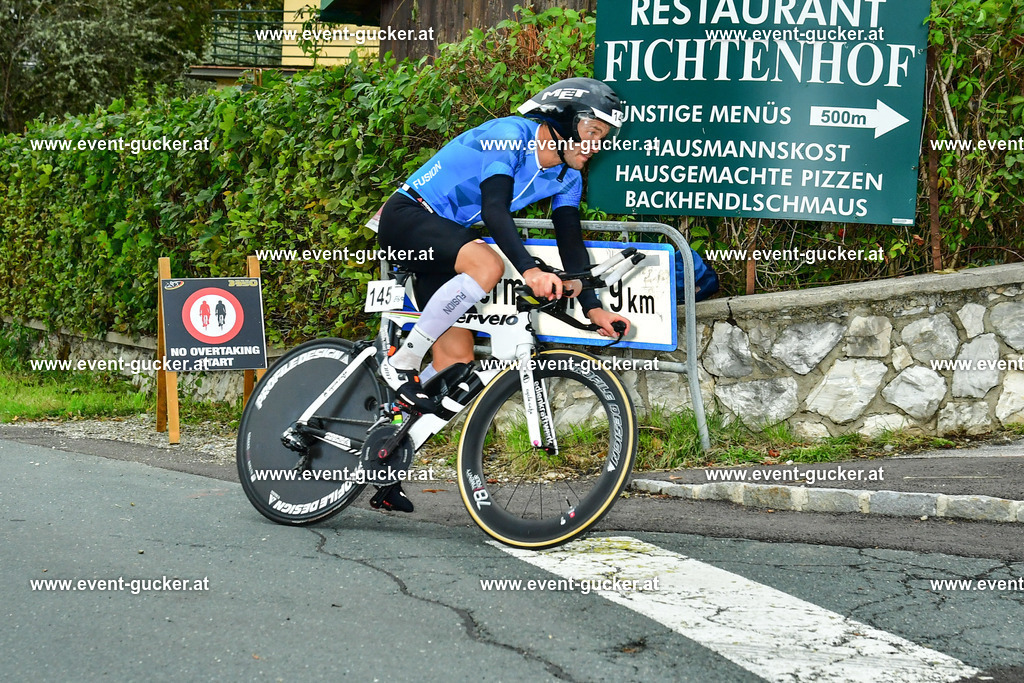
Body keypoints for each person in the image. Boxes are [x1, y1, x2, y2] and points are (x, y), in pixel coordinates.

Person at [372, 78, 632, 512]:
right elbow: (495, 210)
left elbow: (571, 243)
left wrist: (594, 308)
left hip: (448, 242)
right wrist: (529, 269)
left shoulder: (569, 175)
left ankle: (384, 466)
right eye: (591, 132)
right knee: (489, 265)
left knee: (455, 365)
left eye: (603, 139)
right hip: (408, 216)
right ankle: (400, 361)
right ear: (566, 122)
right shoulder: (509, 136)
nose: (595, 147)